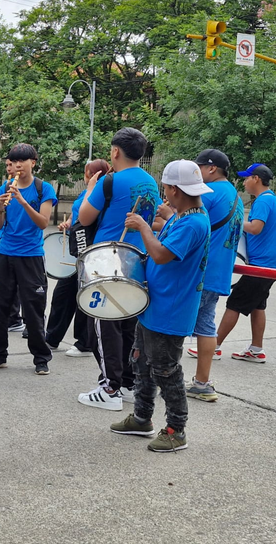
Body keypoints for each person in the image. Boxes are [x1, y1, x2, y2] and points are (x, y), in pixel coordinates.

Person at [110, 159, 211, 453]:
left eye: (165, 188)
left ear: (175, 190)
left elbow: (162, 255)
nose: (164, 193)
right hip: (155, 305)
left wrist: (143, 226)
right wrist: (166, 217)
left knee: (166, 370)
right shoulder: (186, 216)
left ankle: (176, 430)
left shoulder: (193, 222)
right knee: (141, 362)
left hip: (171, 310)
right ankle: (142, 418)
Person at [77, 127, 161, 411]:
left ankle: (109, 388)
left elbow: (85, 217)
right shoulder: (150, 182)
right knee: (127, 323)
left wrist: (90, 189)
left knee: (103, 322)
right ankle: (126, 382)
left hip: (107, 259)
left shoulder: (109, 181)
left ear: (115, 151)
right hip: (137, 258)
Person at [0, 143, 58, 375]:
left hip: (31, 255)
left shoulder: (43, 189)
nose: (17, 166)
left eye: (22, 161)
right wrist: (1, 207)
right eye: (14, 161)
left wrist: (23, 201)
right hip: (6, 253)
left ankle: (41, 358)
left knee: (34, 309)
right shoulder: (6, 186)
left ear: (32, 163)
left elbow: (43, 223)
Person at [184, 149, 244, 402]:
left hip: (200, 270)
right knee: (206, 326)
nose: (196, 173)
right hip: (219, 271)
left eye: (198, 168)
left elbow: (187, 223)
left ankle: (164, 378)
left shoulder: (209, 192)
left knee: (175, 324)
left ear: (211, 169)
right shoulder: (234, 195)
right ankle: (202, 382)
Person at [215, 164, 276, 364]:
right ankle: (256, 349)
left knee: (234, 303)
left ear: (256, 179)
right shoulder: (271, 199)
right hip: (270, 262)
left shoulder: (263, 200)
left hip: (261, 265)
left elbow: (255, 228)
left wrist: (234, 222)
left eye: (246, 178)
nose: (244, 182)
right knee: (258, 305)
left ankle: (213, 346)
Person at [45, 159, 111, 357]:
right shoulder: (86, 193)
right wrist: (68, 223)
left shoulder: (99, 193)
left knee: (83, 296)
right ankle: (51, 337)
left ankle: (84, 343)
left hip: (89, 250)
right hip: (77, 250)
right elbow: (79, 214)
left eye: (86, 172)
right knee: (62, 294)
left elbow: (89, 217)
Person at [0, 159, 24, 332]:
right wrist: (1, 206)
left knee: (19, 283)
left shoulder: (36, 187)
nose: (10, 168)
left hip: (22, 244)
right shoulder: (5, 186)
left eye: (12, 165)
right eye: (8, 165)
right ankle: (4, 316)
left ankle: (15, 317)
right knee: (0, 283)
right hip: (2, 238)